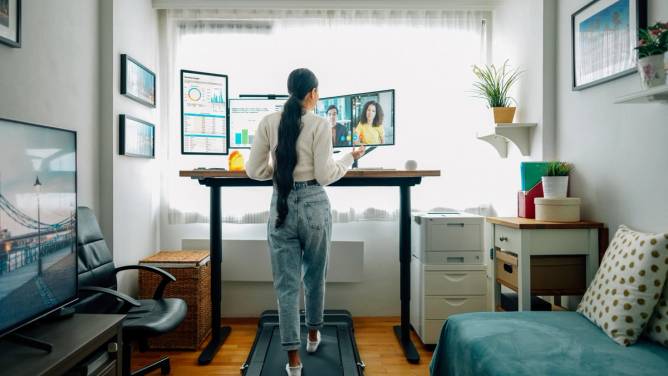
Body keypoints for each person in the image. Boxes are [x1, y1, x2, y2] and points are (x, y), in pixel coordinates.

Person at [246, 68, 365, 376]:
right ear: (312, 93)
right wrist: (349, 158)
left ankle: (293, 362)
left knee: (286, 286)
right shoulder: (319, 124)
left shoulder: (268, 122)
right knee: (314, 277)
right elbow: (326, 175)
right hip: (314, 205)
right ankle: (313, 335)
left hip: (281, 204)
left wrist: (280, 168)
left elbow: (255, 171)